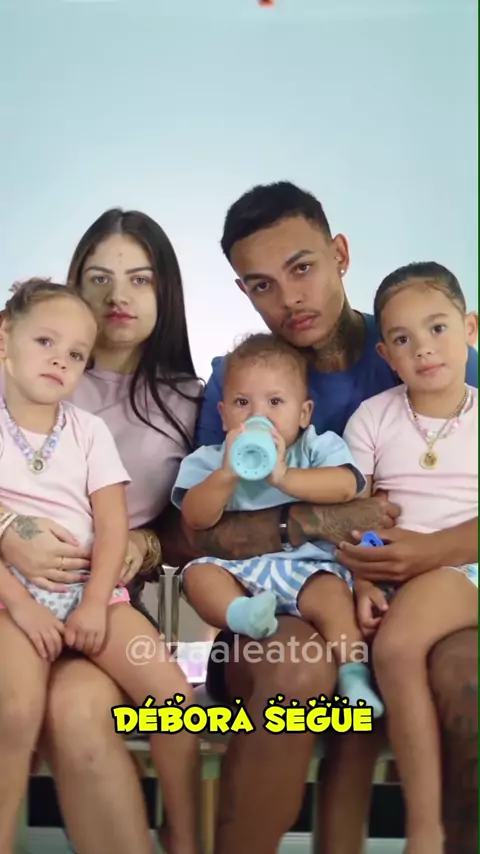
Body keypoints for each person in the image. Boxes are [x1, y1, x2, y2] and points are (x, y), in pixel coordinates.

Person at [181, 182, 478, 854]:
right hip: (287, 600)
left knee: (467, 681)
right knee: (297, 673)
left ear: (340, 254)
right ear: (243, 292)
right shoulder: (242, 381)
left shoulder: (426, 347)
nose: (288, 298)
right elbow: (201, 533)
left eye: (302, 268)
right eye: (262, 285)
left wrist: (424, 555)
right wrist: (320, 521)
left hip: (428, 587)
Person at [0, 209, 203, 854]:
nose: (119, 296)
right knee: (24, 706)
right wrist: (6, 531)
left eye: (140, 279)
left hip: (111, 596)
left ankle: (183, 834)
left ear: (165, 292)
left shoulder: (192, 399)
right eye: (99, 278)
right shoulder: (19, 378)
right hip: (15, 597)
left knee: (91, 708)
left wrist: (142, 548)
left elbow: (196, 525)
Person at [174, 331, 384, 717]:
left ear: (304, 413)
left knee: (336, 600)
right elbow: (195, 516)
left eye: (275, 402)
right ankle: (243, 615)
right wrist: (225, 476)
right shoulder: (210, 460)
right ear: (223, 414)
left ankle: (353, 675)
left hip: (308, 567)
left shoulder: (317, 446)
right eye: (242, 403)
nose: (259, 416)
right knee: (199, 577)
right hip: (238, 571)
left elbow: (345, 486)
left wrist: (285, 477)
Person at [342, 262, 478, 854]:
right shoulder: (374, 418)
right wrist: (362, 577)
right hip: (397, 575)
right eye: (403, 338)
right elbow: (354, 515)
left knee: (397, 648)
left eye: (438, 328)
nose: (423, 348)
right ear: (387, 355)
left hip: (463, 570)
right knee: (392, 655)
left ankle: (423, 831)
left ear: (470, 328)